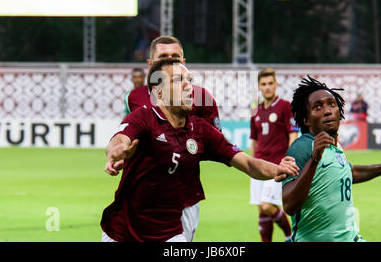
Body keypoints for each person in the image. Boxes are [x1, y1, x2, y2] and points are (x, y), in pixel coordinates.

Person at [100, 58, 300, 242]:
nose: (189, 86)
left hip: (168, 234)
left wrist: (277, 169)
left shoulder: (201, 130)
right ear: (158, 92)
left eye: (190, 79)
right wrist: (117, 151)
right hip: (121, 232)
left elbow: (247, 162)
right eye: (179, 80)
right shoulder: (144, 117)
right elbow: (120, 139)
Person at [282, 75, 381, 242]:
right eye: (318, 106)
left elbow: (349, 173)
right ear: (306, 119)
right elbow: (289, 205)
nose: (328, 110)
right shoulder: (302, 147)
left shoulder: (336, 147)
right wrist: (314, 159)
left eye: (331, 104)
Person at [123, 35, 220, 242]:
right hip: (142, 199)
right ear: (150, 64)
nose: (170, 60)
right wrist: (119, 158)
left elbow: (215, 144)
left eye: (175, 56)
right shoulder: (134, 98)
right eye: (163, 57)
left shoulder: (202, 98)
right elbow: (128, 136)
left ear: (184, 62)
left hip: (184, 199)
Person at [249, 68, 299, 242]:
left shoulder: (285, 106)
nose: (268, 87)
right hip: (258, 166)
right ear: (259, 87)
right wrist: (251, 165)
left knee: (268, 206)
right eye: (264, 84)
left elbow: (293, 135)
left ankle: (289, 236)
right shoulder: (256, 111)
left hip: (277, 166)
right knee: (261, 209)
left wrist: (289, 161)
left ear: (276, 84)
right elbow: (254, 141)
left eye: (271, 83)